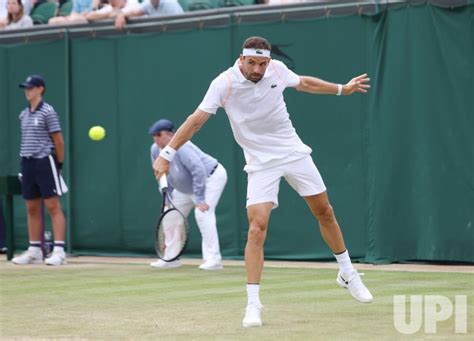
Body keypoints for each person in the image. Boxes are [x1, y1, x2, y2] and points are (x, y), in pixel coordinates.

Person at [153, 36, 373, 327]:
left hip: (293, 152)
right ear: (241, 59)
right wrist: (167, 153)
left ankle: (347, 273)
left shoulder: (277, 70)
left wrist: (342, 89)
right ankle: (253, 304)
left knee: (325, 211)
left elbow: (304, 83)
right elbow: (196, 120)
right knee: (257, 229)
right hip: (259, 164)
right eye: (252, 62)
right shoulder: (224, 83)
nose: (257, 69)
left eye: (262, 63)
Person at [149, 119, 227, 270]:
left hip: (211, 178)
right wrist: (167, 196)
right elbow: (161, 173)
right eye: (154, 135)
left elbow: (198, 170)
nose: (156, 138)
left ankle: (214, 259)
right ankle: (171, 258)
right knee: (170, 215)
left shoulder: (182, 147)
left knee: (203, 213)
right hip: (185, 188)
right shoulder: (154, 149)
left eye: (159, 134)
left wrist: (200, 198)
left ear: (171, 134)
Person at [12, 74, 68, 266]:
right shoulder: (24, 114)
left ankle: (59, 251)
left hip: (45, 161)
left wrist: (58, 164)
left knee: (53, 205)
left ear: (40, 89)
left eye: (31, 88)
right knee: (31, 207)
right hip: (27, 163)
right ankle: (35, 250)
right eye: (26, 88)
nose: (27, 91)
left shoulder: (48, 112)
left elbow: (58, 140)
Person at [115, 0, 183, 30]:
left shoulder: (170, 3)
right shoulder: (148, 3)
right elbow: (135, 12)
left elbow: (180, 25)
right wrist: (121, 15)